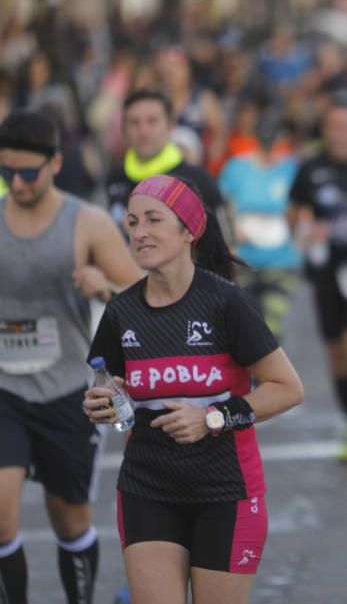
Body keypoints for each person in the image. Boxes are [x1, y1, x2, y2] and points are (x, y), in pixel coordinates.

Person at [83, 174, 304, 604]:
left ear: (189, 230)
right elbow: (112, 393)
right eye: (131, 222)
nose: (139, 232)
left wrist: (211, 419)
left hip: (226, 491)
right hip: (147, 487)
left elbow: (287, 389)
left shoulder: (225, 302)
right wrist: (103, 405)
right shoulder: (121, 312)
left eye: (153, 220)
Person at [0, 110, 143, 604]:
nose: (16, 184)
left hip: (66, 391)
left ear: (56, 163)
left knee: (71, 519)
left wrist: (103, 287)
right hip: (5, 391)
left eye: (27, 173)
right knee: (1, 513)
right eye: (6, 173)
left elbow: (139, 291)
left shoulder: (87, 222)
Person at [288, 102, 347, 456]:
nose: (340, 133)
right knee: (335, 351)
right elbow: (295, 210)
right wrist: (304, 231)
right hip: (326, 270)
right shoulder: (311, 169)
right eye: (333, 126)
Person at [219, 118, 301, 341]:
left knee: (273, 326)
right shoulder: (237, 167)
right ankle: (253, 376)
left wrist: (299, 234)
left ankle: (272, 374)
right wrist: (232, 234)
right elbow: (223, 205)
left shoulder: (291, 168)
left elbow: (302, 208)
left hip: (281, 259)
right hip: (244, 257)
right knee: (246, 327)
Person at [105, 88, 224, 234]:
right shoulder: (115, 179)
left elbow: (226, 243)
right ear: (123, 129)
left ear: (170, 126)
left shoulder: (198, 181)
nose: (143, 130)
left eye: (152, 121)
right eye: (134, 122)